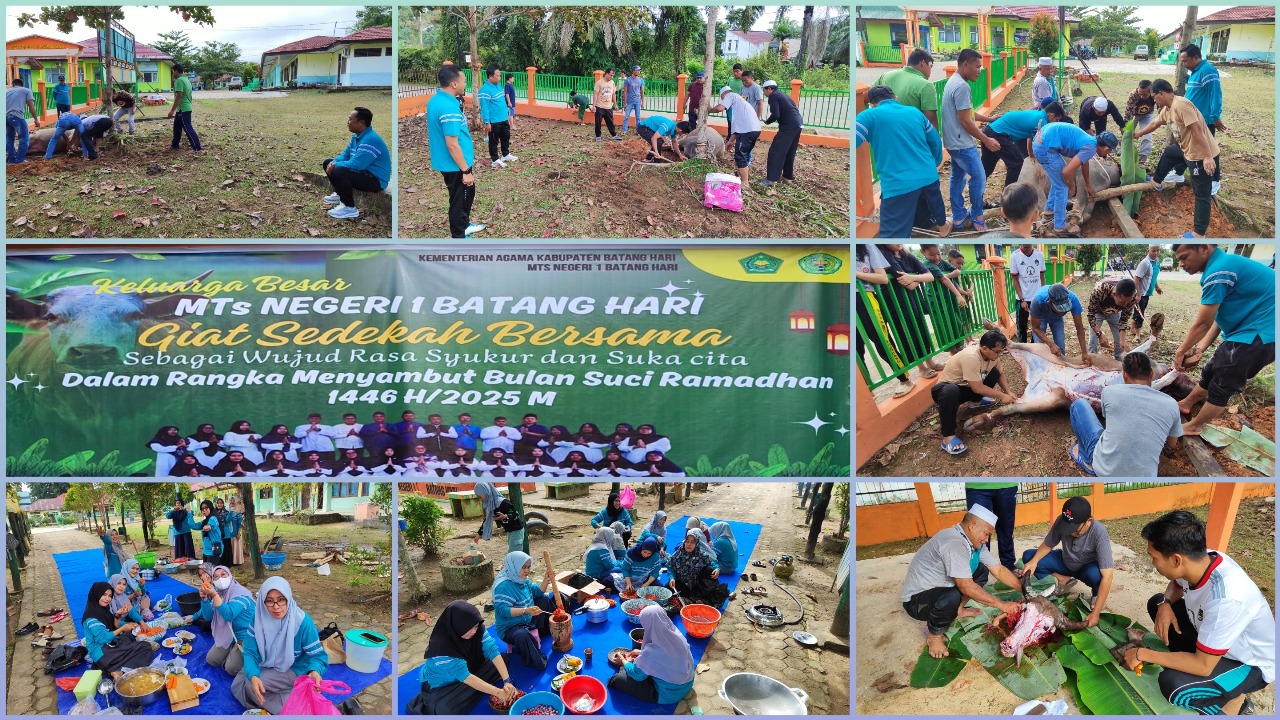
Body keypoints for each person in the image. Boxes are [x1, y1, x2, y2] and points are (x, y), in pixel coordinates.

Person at [1121, 511, 1273, 715]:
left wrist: (1142, 653)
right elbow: (1176, 583)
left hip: (1248, 663)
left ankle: (1231, 702)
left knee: (1174, 685)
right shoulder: (1199, 559)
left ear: (1176, 560)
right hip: (1215, 640)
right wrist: (1165, 604)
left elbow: (1202, 666)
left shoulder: (1227, 598)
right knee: (1156, 603)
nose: (1152, 563)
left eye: (1154, 557)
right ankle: (1206, 676)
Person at [1169, 244, 1275, 437]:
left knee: (1223, 382)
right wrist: (1199, 349)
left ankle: (1194, 426)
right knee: (1211, 371)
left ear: (1203, 248)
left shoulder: (1219, 271)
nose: (1182, 264)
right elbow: (1217, 320)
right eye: (1179, 260)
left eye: (1184, 257)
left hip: (1260, 332)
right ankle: (1186, 404)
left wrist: (1181, 351)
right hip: (1245, 331)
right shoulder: (1222, 265)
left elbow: (1202, 323)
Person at [902, 505, 1024, 658]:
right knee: (952, 595)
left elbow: (998, 570)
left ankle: (957, 609)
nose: (986, 539)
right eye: (986, 533)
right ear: (972, 526)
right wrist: (1002, 604)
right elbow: (965, 585)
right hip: (917, 602)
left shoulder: (974, 543)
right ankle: (934, 636)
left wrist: (1023, 589)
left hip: (942, 589)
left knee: (981, 570)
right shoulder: (954, 542)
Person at [855, 87, 951, 238]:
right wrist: (934, 163)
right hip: (928, 175)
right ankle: (943, 226)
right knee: (934, 202)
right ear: (896, 97)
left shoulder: (868, 116)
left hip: (898, 184)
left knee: (891, 232)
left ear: (872, 104)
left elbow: (852, 139)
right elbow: (935, 141)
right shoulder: (914, 112)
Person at [1067, 351, 1182, 477]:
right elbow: (1171, 444)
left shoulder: (1110, 392)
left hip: (1104, 471)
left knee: (1079, 405)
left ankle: (1087, 458)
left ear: (1124, 375)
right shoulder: (1171, 404)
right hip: (1145, 478)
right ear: (1151, 374)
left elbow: (1107, 420)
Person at [232, 577, 328, 715]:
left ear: (288, 598)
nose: (276, 607)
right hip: (267, 663)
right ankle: (292, 695)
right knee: (244, 680)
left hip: (293, 667)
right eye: (270, 601)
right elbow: (250, 651)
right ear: (263, 601)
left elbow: (317, 656)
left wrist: (314, 670)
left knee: (250, 686)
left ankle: (297, 707)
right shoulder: (258, 618)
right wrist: (253, 675)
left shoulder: (301, 622)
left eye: (281, 599)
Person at [1137, 79, 1220, 238]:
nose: (1153, 100)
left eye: (1154, 96)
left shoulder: (1181, 105)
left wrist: (1208, 157)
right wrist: (1138, 134)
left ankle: (1198, 234)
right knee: (1170, 152)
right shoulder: (1167, 108)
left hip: (1200, 155)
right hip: (1186, 150)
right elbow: (1155, 123)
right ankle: (1157, 181)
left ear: (1161, 93)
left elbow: (1197, 131)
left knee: (1202, 194)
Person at [408, 601, 519, 715]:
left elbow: (491, 649)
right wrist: (498, 692)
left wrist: (507, 680)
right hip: (446, 683)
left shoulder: (477, 627)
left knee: (504, 660)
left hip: (470, 668)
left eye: (476, 626)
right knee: (446, 710)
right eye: (469, 628)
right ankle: (476, 688)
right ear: (457, 625)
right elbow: (465, 676)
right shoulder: (441, 648)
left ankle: (476, 688)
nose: (474, 631)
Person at [1019, 497, 1115, 626]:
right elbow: (1048, 544)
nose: (1070, 534)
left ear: (1089, 521)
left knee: (1096, 575)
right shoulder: (1062, 520)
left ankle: (1096, 594)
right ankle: (1063, 579)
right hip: (1065, 562)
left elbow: (1108, 575)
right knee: (1030, 556)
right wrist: (1034, 561)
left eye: (1075, 531)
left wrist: (1096, 613)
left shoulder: (1099, 533)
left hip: (1085, 568)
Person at [942, 49, 1002, 232]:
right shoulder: (962, 87)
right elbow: (965, 120)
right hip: (962, 144)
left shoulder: (954, 81)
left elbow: (966, 112)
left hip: (952, 141)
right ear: (965, 64)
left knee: (957, 177)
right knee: (979, 177)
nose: (979, 71)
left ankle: (959, 217)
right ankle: (977, 215)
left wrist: (989, 119)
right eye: (977, 67)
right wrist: (986, 139)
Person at [931, 330, 1017, 456]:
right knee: (951, 391)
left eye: (1001, 351)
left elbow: (1000, 374)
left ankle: (975, 401)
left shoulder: (993, 356)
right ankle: (947, 437)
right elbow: (977, 387)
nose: (999, 354)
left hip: (966, 386)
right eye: (997, 351)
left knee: (994, 374)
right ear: (984, 348)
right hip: (945, 390)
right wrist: (1002, 396)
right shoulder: (971, 357)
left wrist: (1008, 392)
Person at [1032, 122, 1117, 237]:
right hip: (1045, 147)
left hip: (1041, 140)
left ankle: (1049, 211)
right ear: (1106, 147)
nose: (1108, 153)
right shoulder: (1090, 147)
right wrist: (1071, 186)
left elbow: (1084, 163)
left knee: (1057, 182)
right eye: (1110, 151)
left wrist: (1087, 184)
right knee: (1062, 187)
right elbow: (1066, 171)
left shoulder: (1091, 141)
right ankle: (1060, 226)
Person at [428, 65, 483, 238]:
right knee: (459, 200)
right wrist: (465, 170)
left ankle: (464, 224)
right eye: (463, 80)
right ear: (453, 84)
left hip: (454, 161)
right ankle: (458, 236)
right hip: (455, 164)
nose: (465, 83)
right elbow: (452, 144)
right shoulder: (448, 108)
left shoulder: (437, 100)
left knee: (468, 192)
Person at [856, 244, 915, 397]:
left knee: (883, 341)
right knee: (854, 349)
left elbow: (883, 278)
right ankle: (867, 390)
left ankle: (905, 379)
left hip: (864, 298)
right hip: (840, 299)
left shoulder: (866, 246)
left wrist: (854, 274)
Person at [880, 244, 948, 376]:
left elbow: (930, 277)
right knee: (908, 333)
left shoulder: (906, 255)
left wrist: (912, 277)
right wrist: (917, 277)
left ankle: (931, 363)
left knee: (921, 330)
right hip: (897, 303)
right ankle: (921, 368)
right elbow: (911, 285)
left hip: (913, 300)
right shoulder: (885, 256)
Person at [607, 605, 695, 704]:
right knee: (642, 666)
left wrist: (623, 661)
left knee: (619, 679)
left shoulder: (652, 652)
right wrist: (640, 652)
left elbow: (637, 676)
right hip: (687, 683)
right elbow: (667, 656)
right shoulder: (677, 635)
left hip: (668, 694)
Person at [491, 551, 559, 671]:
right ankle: (536, 660)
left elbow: (537, 592)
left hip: (525, 618)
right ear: (514, 566)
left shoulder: (522, 579)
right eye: (523, 567)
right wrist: (525, 610)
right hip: (510, 627)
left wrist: (546, 580)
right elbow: (502, 611)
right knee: (522, 635)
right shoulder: (504, 586)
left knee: (543, 599)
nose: (527, 570)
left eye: (528, 567)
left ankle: (549, 630)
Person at [320, 106, 389, 220]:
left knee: (339, 169)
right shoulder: (356, 137)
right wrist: (334, 162)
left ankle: (349, 207)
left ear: (361, 123)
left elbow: (357, 165)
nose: (348, 122)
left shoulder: (370, 140)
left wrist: (336, 165)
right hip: (364, 173)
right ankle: (339, 194)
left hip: (376, 180)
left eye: (350, 119)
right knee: (328, 162)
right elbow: (345, 155)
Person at [186, 565, 255, 676]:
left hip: (245, 636)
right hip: (228, 634)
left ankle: (250, 657)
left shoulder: (242, 593)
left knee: (231, 668)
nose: (220, 579)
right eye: (216, 577)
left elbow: (229, 614)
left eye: (223, 575)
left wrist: (213, 595)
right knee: (211, 660)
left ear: (230, 576)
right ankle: (232, 650)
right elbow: (208, 617)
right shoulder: (220, 592)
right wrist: (204, 599)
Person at [982, 100, 1065, 186]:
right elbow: (1044, 146)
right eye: (1057, 119)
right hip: (998, 133)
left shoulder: (1037, 114)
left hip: (991, 130)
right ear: (1051, 115)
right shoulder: (1041, 122)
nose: (1057, 122)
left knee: (986, 168)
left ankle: (976, 198)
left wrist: (1031, 154)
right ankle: (1009, 196)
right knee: (1016, 162)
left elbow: (1030, 137)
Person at [81, 581, 154, 680]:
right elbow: (103, 639)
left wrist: (117, 616)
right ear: (96, 594)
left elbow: (112, 628)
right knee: (145, 647)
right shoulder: (91, 617)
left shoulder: (102, 609)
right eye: (104, 595)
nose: (107, 598)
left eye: (110, 596)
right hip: (102, 653)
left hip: (108, 647)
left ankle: (112, 669)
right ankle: (116, 670)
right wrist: (122, 628)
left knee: (129, 636)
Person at [1179, 43, 1225, 194]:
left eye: (1186, 61)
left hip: (1204, 120)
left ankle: (1215, 180)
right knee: (1187, 145)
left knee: (1210, 150)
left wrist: (1215, 117)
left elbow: (1215, 95)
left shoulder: (1208, 70)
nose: (1184, 64)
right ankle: (1179, 172)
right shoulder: (1195, 72)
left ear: (1196, 57)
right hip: (1191, 119)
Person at [707, 86, 761, 187]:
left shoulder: (731, 95)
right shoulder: (739, 106)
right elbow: (737, 129)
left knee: (740, 156)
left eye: (722, 98)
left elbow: (719, 108)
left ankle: (745, 183)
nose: (723, 100)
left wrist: (710, 110)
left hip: (747, 131)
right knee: (743, 155)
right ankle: (743, 177)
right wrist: (730, 141)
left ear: (724, 94)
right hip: (755, 130)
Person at [871, 48, 938, 129]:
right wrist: (935, 140)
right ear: (922, 63)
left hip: (885, 132)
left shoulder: (885, 76)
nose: (930, 72)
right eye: (930, 66)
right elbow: (930, 121)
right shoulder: (926, 85)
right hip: (911, 136)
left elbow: (867, 95)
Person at [1029, 283, 1092, 364]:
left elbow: (1079, 327)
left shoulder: (1073, 299)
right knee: (1039, 345)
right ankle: (1041, 366)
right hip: (1041, 315)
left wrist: (1084, 352)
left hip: (1057, 318)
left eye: (1066, 308)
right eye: (1060, 309)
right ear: (1050, 303)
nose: (1064, 311)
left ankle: (1061, 367)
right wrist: (1051, 344)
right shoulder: (1037, 301)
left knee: (1060, 345)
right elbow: (1035, 328)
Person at [666, 528, 729, 607]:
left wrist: (717, 569)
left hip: (696, 585)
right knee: (667, 590)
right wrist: (672, 578)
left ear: (697, 544)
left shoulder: (700, 554)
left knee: (709, 570)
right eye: (687, 541)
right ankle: (690, 599)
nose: (689, 544)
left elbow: (712, 562)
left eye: (692, 542)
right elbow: (670, 566)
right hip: (682, 583)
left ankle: (694, 599)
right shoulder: (678, 553)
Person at [1085, 277, 1138, 360]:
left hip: (1115, 314)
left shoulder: (1132, 296)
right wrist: (1100, 334)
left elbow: (1124, 319)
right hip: (1098, 313)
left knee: (1119, 340)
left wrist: (1122, 340)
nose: (1125, 305)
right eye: (1122, 302)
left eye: (1128, 302)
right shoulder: (1100, 289)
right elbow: (1091, 315)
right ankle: (1092, 360)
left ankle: (1119, 360)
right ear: (1114, 294)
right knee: (1093, 340)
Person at [760, 80, 802, 186]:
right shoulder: (783, 95)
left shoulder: (773, 96)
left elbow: (776, 114)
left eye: (764, 90)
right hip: (798, 123)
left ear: (769, 89)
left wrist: (768, 122)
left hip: (789, 126)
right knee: (789, 151)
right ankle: (787, 177)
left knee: (776, 151)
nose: (764, 92)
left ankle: (771, 180)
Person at [1007, 243, 1047, 342]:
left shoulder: (1039, 255)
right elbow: (1015, 280)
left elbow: (1042, 277)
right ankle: (1023, 348)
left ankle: (1034, 346)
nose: (1027, 250)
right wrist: (1022, 299)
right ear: (1020, 244)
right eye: (1025, 247)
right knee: (1021, 326)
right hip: (1022, 299)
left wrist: (1043, 295)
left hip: (1037, 298)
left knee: (1037, 326)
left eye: (1029, 247)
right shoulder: (1015, 256)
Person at [473, 481, 526, 554]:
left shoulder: (502, 502)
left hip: (517, 530)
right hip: (510, 531)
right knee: (514, 553)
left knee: (514, 555)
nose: (480, 499)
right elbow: (487, 519)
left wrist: (505, 516)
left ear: (486, 492)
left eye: (480, 496)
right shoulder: (491, 504)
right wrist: (479, 534)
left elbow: (515, 514)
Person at [480, 66, 517, 169]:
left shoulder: (498, 85)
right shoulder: (484, 90)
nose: (500, 77)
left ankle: (505, 155)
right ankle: (495, 160)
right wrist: (487, 122)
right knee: (493, 141)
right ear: (491, 76)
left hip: (504, 118)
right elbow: (485, 107)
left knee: (506, 136)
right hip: (494, 120)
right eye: (498, 76)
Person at [1131, 245, 1164, 336]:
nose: (1156, 253)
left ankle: (1132, 329)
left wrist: (1157, 287)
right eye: (1153, 251)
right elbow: (1136, 278)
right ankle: (1137, 335)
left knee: (1138, 311)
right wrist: (1138, 294)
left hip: (1147, 293)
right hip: (1141, 293)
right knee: (1140, 314)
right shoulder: (1145, 263)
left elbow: (1153, 277)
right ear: (1148, 250)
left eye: (1158, 251)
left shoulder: (1157, 263)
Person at [167, 63, 201, 151]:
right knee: (177, 128)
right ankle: (175, 145)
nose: (172, 74)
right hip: (185, 108)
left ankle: (197, 148)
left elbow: (179, 96)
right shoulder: (187, 80)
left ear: (176, 71)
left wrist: (172, 111)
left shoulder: (179, 80)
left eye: (173, 72)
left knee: (188, 128)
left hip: (183, 109)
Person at [1123, 80, 1157, 166]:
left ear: (1150, 91)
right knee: (1128, 135)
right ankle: (1127, 157)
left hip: (1147, 115)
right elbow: (1128, 110)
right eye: (1140, 94)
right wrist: (1125, 125)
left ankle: (1142, 160)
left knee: (1147, 136)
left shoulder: (1155, 94)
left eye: (1145, 94)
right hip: (1134, 115)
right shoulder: (1134, 94)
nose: (1142, 96)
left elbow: (1160, 106)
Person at [7, 78, 40, 164]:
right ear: (21, 84)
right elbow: (31, 106)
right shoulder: (26, 90)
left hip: (5, 118)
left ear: (13, 84)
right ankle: (20, 160)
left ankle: (11, 159)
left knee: (9, 139)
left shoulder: (6, 92)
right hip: (16, 116)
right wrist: (36, 119)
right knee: (24, 139)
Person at [584, 527, 625, 592]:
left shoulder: (594, 545)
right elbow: (609, 566)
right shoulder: (601, 549)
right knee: (619, 569)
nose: (612, 538)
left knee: (619, 565)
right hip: (596, 575)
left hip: (589, 573)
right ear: (607, 536)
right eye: (611, 536)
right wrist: (620, 563)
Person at [592, 68, 621, 141]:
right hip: (599, 106)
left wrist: (615, 104)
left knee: (610, 122)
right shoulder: (599, 83)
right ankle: (598, 136)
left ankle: (614, 135)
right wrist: (594, 106)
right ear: (606, 74)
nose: (612, 77)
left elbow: (613, 94)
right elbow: (595, 95)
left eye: (613, 76)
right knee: (598, 122)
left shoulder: (612, 83)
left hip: (608, 107)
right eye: (610, 75)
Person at [197, 499, 223, 564]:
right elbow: (193, 525)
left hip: (214, 549)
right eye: (202, 508)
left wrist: (209, 526)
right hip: (206, 550)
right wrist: (189, 514)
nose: (204, 510)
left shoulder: (213, 518)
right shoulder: (203, 522)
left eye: (206, 507)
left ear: (210, 507)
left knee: (209, 571)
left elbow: (212, 524)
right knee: (206, 571)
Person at [621, 65, 645, 133]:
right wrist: (625, 102)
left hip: (637, 101)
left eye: (639, 70)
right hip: (629, 101)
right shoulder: (628, 80)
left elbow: (642, 92)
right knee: (626, 116)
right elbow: (625, 92)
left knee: (638, 117)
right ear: (633, 71)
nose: (638, 72)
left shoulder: (641, 80)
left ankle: (638, 131)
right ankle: (624, 130)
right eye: (637, 70)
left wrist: (642, 102)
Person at [227, 495, 245, 566]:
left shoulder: (238, 512)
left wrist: (238, 533)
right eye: (231, 500)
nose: (232, 502)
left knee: (236, 547)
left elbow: (240, 524)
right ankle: (231, 561)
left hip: (235, 533)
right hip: (228, 533)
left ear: (236, 502)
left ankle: (237, 561)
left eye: (234, 500)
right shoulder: (227, 510)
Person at [214, 496, 234, 565]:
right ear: (216, 504)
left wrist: (230, 512)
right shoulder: (213, 512)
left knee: (226, 548)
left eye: (221, 503)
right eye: (218, 503)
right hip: (217, 533)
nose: (219, 504)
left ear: (223, 504)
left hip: (226, 533)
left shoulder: (226, 512)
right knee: (219, 548)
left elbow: (228, 520)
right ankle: (219, 563)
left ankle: (227, 563)